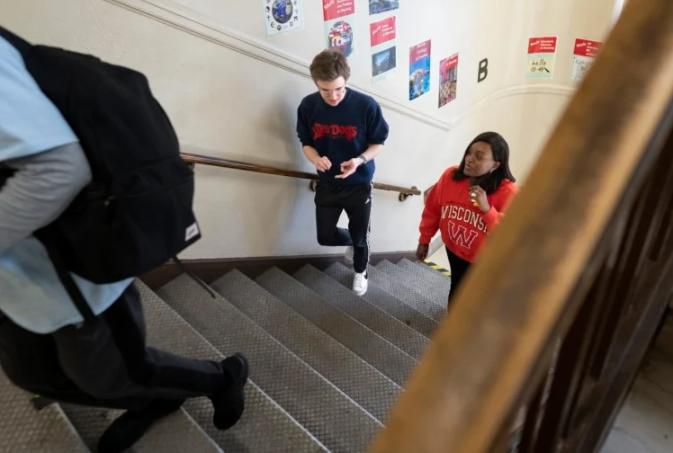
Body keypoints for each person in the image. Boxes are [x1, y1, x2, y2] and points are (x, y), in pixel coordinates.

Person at [0, 34, 247, 452]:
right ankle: (153, 402)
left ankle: (220, 377)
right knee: (35, 376)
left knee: (116, 372)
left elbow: (61, 165)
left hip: (74, 277)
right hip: (15, 284)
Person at [297, 48, 389, 296]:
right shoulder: (308, 106)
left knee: (361, 237)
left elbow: (378, 142)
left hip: (359, 184)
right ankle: (357, 242)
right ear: (316, 83)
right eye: (325, 90)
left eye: (338, 89)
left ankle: (361, 270)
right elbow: (305, 141)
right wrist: (316, 158)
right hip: (328, 183)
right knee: (325, 236)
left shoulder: (366, 105)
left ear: (346, 80)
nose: (333, 96)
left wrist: (359, 160)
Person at [416, 131, 518, 304]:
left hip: (482, 263)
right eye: (469, 153)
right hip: (454, 251)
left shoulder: (509, 192)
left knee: (474, 300)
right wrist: (424, 240)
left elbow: (510, 236)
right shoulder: (450, 176)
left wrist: (487, 209)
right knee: (456, 287)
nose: (470, 159)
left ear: (495, 165)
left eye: (479, 157)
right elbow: (433, 210)